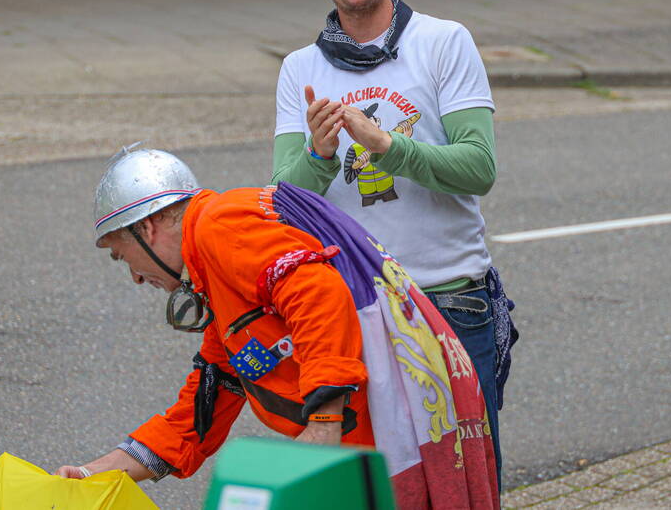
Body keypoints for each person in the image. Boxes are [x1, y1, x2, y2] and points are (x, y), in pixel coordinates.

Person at [55, 145, 499, 509]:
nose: (133, 276)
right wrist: (97, 472)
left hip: (379, 440)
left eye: (120, 255)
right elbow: (201, 408)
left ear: (148, 228)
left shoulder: (216, 224)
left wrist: (324, 421)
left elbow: (317, 293)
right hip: (369, 447)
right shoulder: (216, 280)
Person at [273, 0, 517, 479]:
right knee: (381, 483)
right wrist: (320, 154)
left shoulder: (443, 42)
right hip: (351, 308)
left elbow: (479, 167)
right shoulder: (298, 68)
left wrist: (388, 147)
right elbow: (284, 199)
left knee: (465, 481)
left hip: (448, 298)